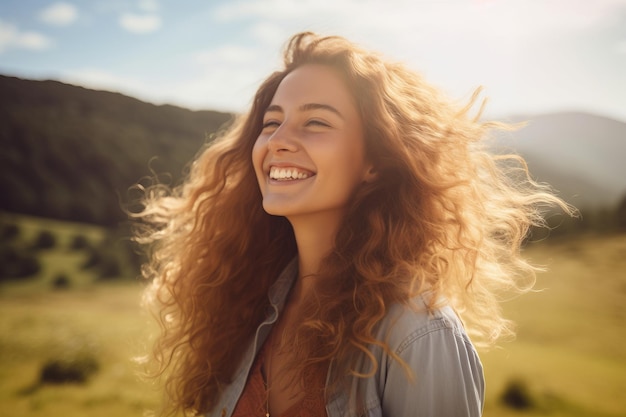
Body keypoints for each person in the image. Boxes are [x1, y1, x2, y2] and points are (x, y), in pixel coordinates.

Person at [134, 32, 571, 417]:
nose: (278, 141)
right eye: (271, 123)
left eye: (316, 122)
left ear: (375, 162)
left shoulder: (418, 334)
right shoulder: (247, 302)